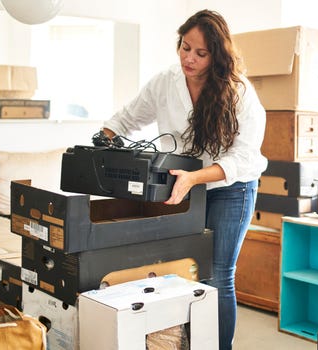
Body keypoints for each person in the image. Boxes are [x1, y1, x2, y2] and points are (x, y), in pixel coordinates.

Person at [100, 9, 267, 350]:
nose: (189, 58)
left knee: (218, 273)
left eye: (200, 53)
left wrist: (195, 179)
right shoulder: (166, 82)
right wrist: (104, 137)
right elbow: (130, 116)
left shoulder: (240, 93)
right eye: (185, 47)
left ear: (216, 56)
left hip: (230, 189)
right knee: (183, 272)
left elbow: (243, 157)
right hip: (184, 185)